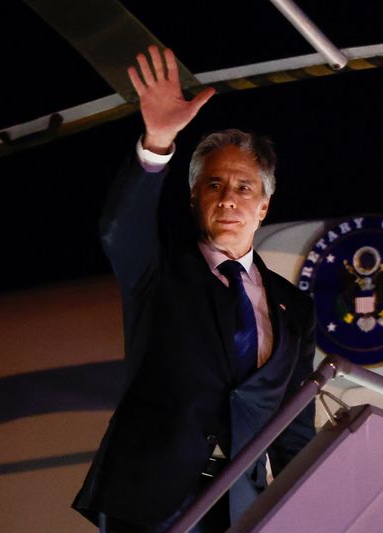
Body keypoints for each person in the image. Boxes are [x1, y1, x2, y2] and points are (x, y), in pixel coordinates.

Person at [72, 46, 317, 532]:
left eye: (244, 187)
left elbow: (294, 430)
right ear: (194, 197)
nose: (228, 198)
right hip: (150, 503)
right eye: (214, 185)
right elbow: (118, 229)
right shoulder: (158, 272)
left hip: (240, 507)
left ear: (263, 206)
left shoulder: (297, 309)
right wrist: (157, 141)